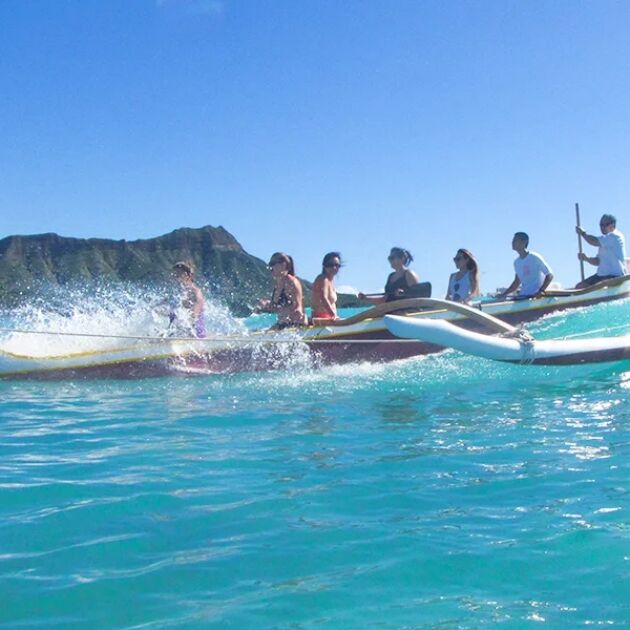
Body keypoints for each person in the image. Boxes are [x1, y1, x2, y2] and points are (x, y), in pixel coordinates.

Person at [257, 252, 307, 328]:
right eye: (270, 263)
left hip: (294, 325)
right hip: (284, 324)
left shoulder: (290, 282)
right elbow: (278, 307)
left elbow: (297, 305)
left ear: (283, 265)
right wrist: (267, 304)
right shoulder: (279, 283)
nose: (270, 267)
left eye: (273, 263)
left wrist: (298, 310)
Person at [575, 214, 627, 288]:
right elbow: (598, 262)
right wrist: (586, 258)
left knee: (599, 286)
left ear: (613, 225)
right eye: (601, 225)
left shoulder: (615, 236)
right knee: (579, 286)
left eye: (606, 224)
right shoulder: (604, 242)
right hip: (601, 276)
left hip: (615, 276)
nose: (602, 227)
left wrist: (583, 233)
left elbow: (593, 241)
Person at [497, 232, 553, 299]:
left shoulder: (535, 257)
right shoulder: (516, 263)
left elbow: (550, 275)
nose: (512, 242)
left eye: (515, 240)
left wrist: (541, 291)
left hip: (536, 297)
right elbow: (516, 283)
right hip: (523, 296)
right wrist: (504, 294)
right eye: (512, 240)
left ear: (524, 242)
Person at [171, 261, 206, 338]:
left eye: (180, 273)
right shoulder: (178, 293)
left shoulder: (196, 291)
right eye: (175, 273)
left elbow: (197, 306)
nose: (176, 276)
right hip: (177, 333)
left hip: (195, 335)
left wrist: (192, 316)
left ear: (188, 275)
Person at [311, 252, 341, 321]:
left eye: (337, 265)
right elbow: (323, 298)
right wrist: (333, 315)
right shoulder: (322, 279)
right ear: (324, 266)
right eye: (330, 265)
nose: (334, 267)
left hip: (329, 318)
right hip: (322, 319)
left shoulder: (331, 281)